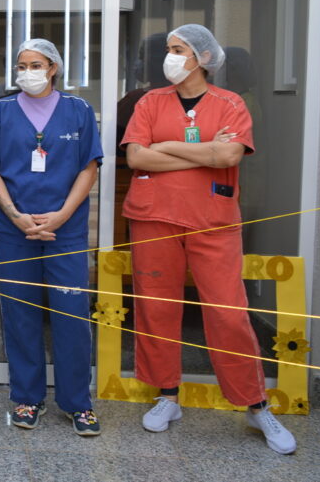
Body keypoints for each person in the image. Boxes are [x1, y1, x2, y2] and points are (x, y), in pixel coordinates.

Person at [122, 23, 296, 454]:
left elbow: (229, 154)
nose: (170, 57)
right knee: (157, 308)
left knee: (227, 313)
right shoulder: (149, 101)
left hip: (212, 220)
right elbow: (135, 156)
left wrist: (165, 146)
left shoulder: (230, 104)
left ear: (202, 57)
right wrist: (199, 153)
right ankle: (167, 396)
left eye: (178, 49)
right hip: (153, 218)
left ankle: (256, 406)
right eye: (168, 49)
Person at [0, 39, 103, 437]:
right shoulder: (0, 112)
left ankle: (78, 403)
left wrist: (61, 215)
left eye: (35, 64)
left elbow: (89, 168)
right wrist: (16, 216)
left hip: (65, 230)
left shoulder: (78, 111)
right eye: (21, 64)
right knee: (20, 314)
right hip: (14, 230)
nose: (27, 70)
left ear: (53, 69)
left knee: (71, 316)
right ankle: (27, 398)